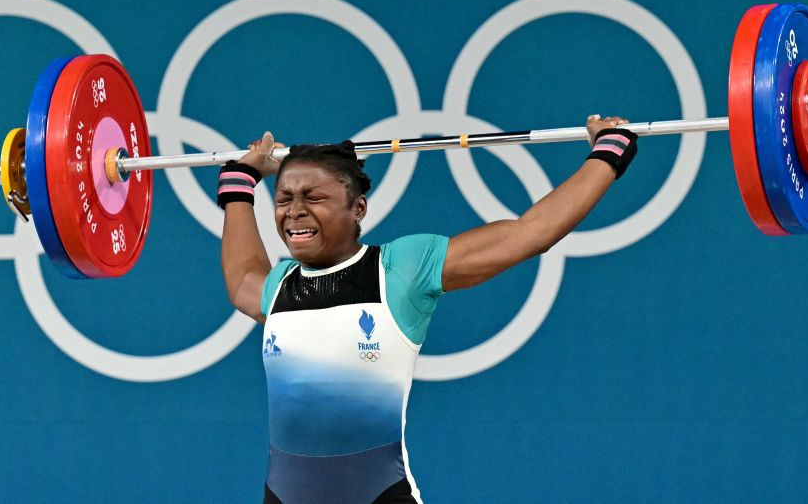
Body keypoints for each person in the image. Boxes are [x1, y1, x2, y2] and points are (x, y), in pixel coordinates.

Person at [217, 115, 638, 504]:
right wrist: (241, 180)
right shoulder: (281, 285)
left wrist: (608, 152)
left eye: (313, 197)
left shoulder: (399, 269)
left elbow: (529, 234)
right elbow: (241, 282)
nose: (294, 212)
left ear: (358, 208)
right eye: (284, 198)